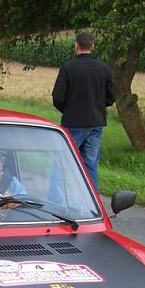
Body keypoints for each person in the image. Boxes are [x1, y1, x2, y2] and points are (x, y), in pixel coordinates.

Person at [51, 30, 116, 190]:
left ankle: (56, 201)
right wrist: (99, 105)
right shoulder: (104, 68)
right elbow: (112, 96)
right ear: (92, 46)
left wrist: (68, 109)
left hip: (73, 123)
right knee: (90, 165)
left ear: (76, 46)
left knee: (61, 164)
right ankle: (92, 203)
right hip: (96, 123)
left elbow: (57, 97)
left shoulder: (68, 67)